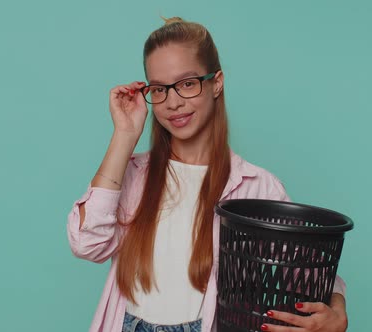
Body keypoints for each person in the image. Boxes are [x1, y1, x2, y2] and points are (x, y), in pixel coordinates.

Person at [67, 16, 348, 332]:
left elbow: (306, 271)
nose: (173, 102)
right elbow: (88, 243)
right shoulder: (134, 175)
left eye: (187, 83)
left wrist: (337, 310)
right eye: (159, 89)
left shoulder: (257, 187)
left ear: (216, 82)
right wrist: (124, 135)